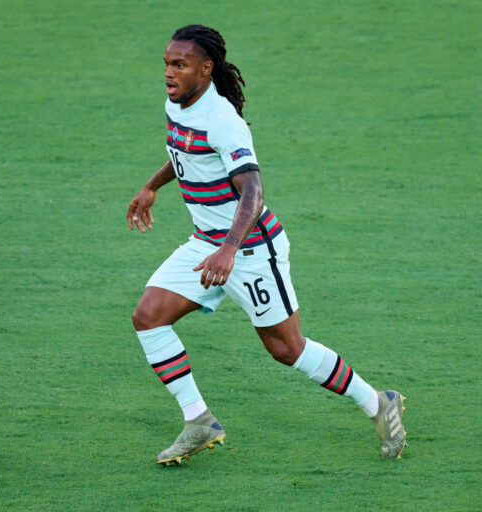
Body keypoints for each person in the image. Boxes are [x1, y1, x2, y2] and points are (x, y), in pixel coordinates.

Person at [126, 24, 406, 466]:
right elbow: (184, 151)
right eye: (166, 63)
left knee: (286, 348)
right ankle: (198, 420)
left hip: (252, 250)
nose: (168, 72)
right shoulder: (178, 103)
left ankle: (379, 403)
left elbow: (254, 193)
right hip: (208, 245)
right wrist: (151, 185)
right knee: (148, 316)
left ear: (205, 68)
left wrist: (229, 250)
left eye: (178, 64)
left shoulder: (224, 122)